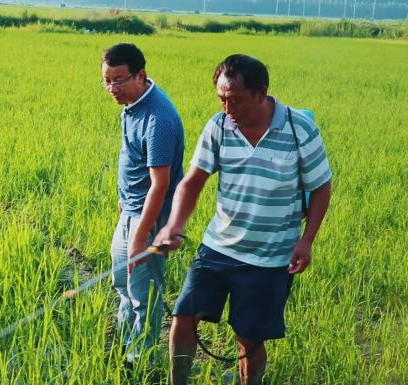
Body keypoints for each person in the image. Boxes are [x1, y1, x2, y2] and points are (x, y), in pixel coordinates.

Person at [154, 54, 332, 385]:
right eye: (221, 98)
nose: (227, 107)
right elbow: (193, 181)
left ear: (261, 93)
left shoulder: (298, 129)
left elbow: (321, 187)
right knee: (184, 316)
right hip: (218, 245)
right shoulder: (219, 126)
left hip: (270, 257)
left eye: (235, 100)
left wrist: (307, 240)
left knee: (249, 337)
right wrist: (174, 224)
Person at [101, 43, 185, 369]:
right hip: (131, 211)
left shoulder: (158, 118)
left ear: (141, 75)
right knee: (122, 283)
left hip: (147, 219)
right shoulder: (133, 103)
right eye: (107, 80)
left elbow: (160, 183)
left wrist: (140, 237)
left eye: (119, 80)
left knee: (144, 295)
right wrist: (124, 204)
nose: (112, 88)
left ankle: (142, 364)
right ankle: (125, 348)